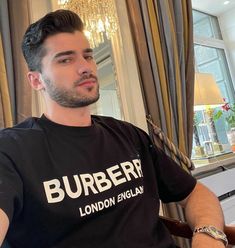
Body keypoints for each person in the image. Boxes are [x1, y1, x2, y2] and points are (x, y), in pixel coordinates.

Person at [0, 9, 227, 248]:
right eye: (66, 59)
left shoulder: (128, 135)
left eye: (87, 56)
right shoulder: (12, 150)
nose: (85, 67)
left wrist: (209, 236)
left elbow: (194, 194)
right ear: (36, 80)